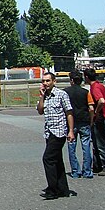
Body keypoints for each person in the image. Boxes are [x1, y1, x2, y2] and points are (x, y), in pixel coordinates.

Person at [37, 71, 76, 200]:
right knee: (57, 160)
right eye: (43, 81)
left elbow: (69, 112)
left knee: (48, 159)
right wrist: (42, 96)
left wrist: (70, 131)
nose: (45, 83)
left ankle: (52, 189)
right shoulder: (45, 96)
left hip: (59, 131)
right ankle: (62, 188)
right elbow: (40, 111)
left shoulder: (61, 94)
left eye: (48, 81)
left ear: (54, 82)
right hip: (49, 132)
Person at [64, 72, 93, 179]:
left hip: (71, 122)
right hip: (84, 121)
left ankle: (75, 171)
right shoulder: (86, 92)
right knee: (86, 147)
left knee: (72, 147)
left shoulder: (65, 92)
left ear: (71, 80)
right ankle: (87, 171)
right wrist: (91, 119)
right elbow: (91, 108)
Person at [85, 68, 105, 176]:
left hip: (100, 118)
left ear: (86, 77)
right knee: (97, 143)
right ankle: (97, 166)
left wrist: (97, 111)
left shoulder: (95, 87)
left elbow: (101, 100)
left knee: (101, 143)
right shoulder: (100, 85)